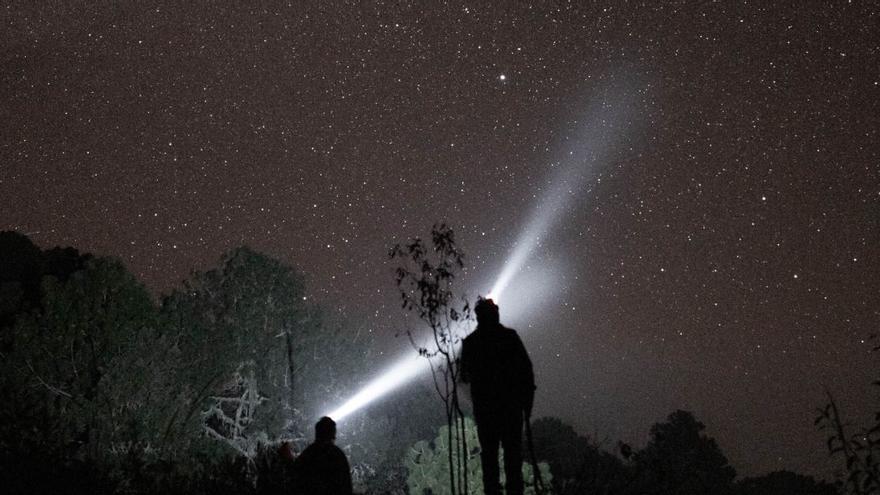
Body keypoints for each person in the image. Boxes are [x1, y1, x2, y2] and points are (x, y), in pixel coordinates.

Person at [461, 297, 536, 495]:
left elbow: (463, 376)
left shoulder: (471, 343)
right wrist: (527, 404)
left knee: (490, 463)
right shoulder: (510, 337)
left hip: (486, 412)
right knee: (513, 462)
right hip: (510, 410)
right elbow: (527, 371)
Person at [291, 416, 353, 495]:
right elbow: (346, 486)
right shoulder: (338, 455)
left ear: (317, 433)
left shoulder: (309, 453)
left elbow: (296, 476)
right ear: (333, 434)